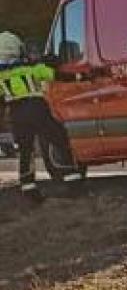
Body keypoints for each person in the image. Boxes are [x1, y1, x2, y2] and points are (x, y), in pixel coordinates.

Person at [0, 31, 75, 199]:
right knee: (58, 138)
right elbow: (56, 75)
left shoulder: (1, 75)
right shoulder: (32, 68)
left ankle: (28, 187)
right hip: (37, 109)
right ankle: (71, 178)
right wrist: (81, 75)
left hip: (16, 114)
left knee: (26, 151)